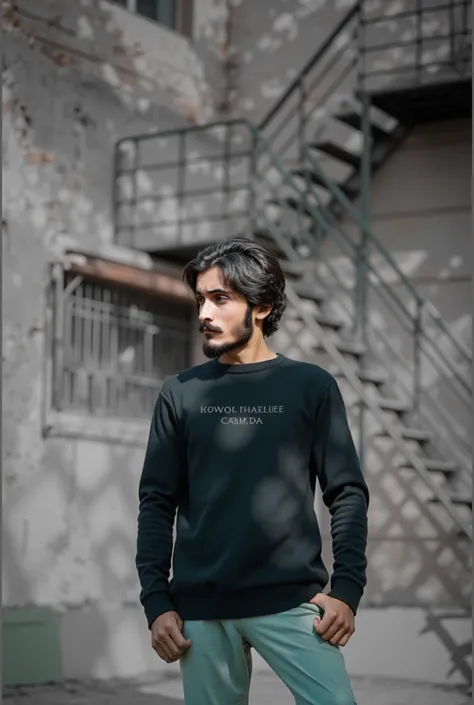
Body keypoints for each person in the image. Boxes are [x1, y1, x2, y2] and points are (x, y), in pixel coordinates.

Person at [135, 236, 369, 705]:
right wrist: (157, 602)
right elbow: (157, 502)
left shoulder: (311, 386)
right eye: (201, 299)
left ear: (260, 307)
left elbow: (346, 493)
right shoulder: (180, 392)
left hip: (292, 604)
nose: (205, 313)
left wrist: (346, 590)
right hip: (200, 611)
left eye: (220, 298)